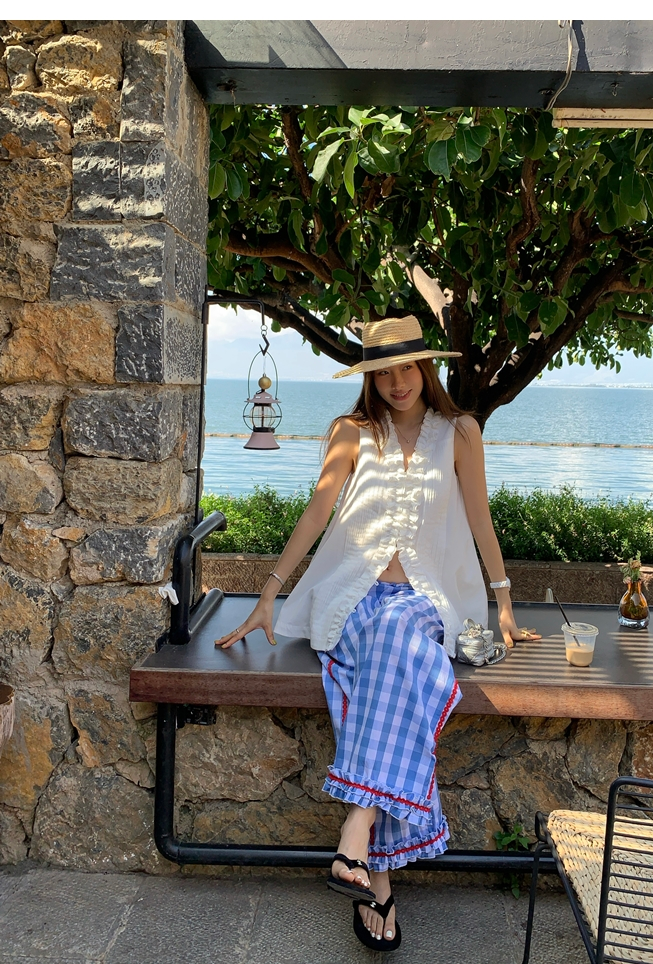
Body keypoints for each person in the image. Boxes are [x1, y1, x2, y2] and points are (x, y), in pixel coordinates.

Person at [215, 315, 540, 952]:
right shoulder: (351, 432)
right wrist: (270, 592)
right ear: (370, 377)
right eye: (384, 372)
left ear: (427, 367)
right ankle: (370, 863)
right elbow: (318, 509)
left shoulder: (461, 433)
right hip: (353, 600)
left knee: (395, 650)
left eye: (407, 368)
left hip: (425, 603)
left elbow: (481, 518)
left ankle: (359, 840)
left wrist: (503, 602)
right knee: (395, 662)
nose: (397, 383)